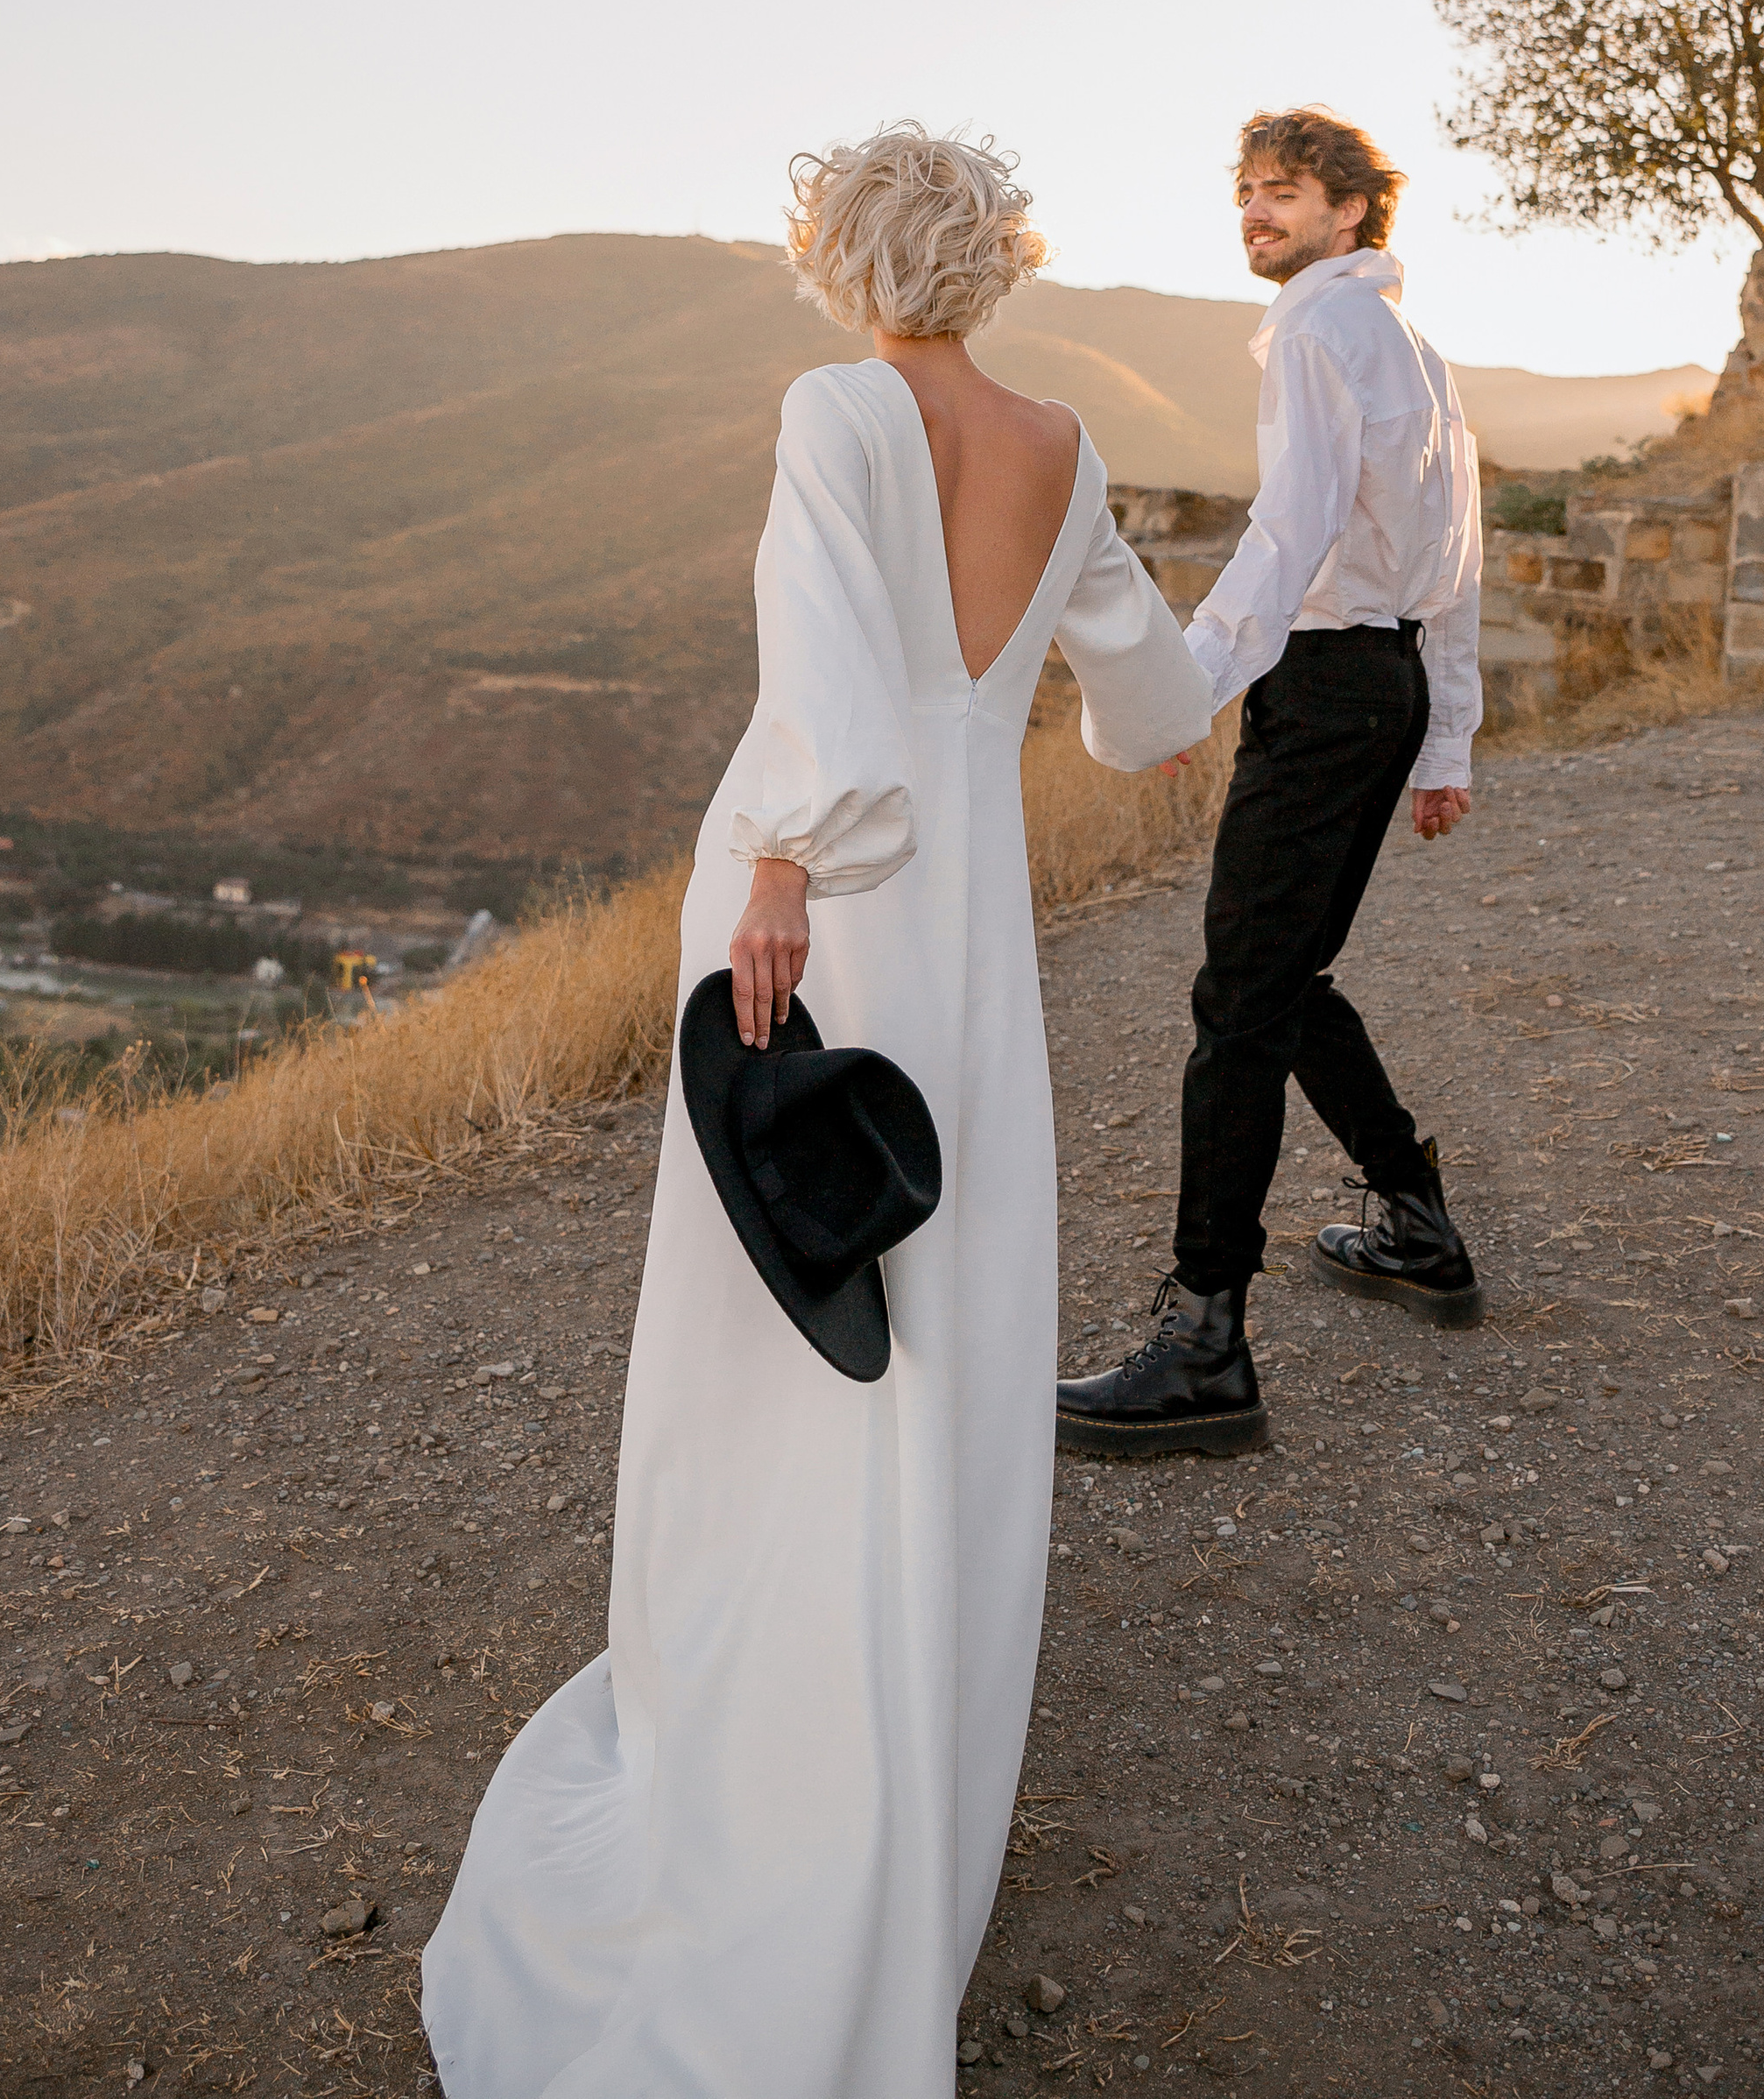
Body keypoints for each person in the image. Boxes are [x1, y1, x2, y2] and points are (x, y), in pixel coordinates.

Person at [421, 124, 1214, 2099]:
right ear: (992, 260)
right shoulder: (1065, 447)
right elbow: (1151, 704)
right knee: (935, 1312)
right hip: (968, 935)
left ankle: (766, 1745)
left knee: (777, 1311)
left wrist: (778, 867)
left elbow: (821, 665)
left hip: (826, 906)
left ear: (847, 261)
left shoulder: (838, 409)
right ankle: (898, 1774)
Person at [1056, 107, 1485, 1462]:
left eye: (1285, 190)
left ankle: (1204, 1346)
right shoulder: (1411, 343)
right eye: (1245, 190)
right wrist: (1444, 736)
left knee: (1240, 1003)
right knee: (1285, 978)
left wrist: (1186, 682)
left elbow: (1289, 529)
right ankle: (1415, 1223)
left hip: (1325, 685)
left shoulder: (1317, 328)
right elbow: (1458, 559)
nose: (1256, 209)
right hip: (1386, 683)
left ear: (1351, 210)